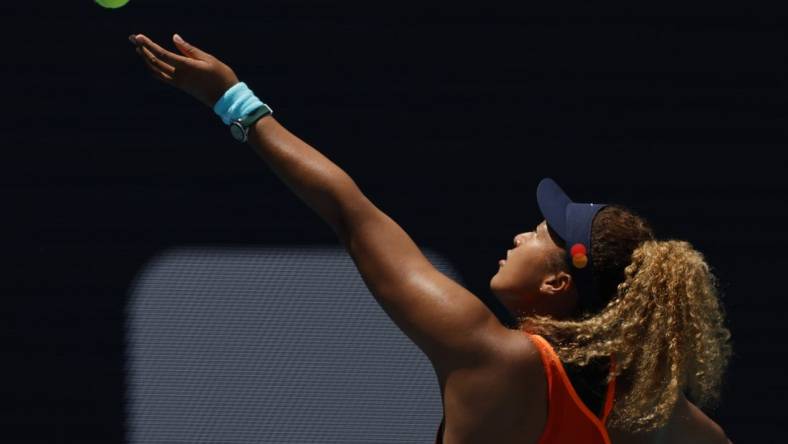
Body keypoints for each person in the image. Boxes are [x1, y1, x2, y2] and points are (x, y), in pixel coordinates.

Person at [128, 33, 734, 443]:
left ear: (557, 281)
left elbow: (351, 213)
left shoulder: (489, 354)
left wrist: (232, 99)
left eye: (540, 235)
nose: (521, 235)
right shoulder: (646, 409)